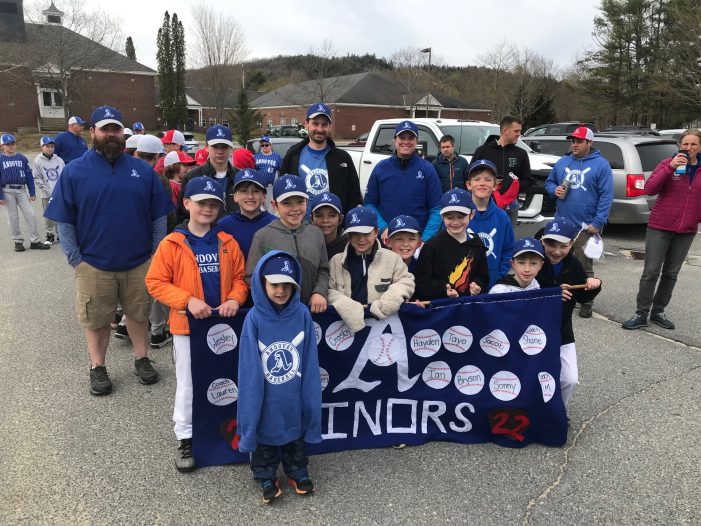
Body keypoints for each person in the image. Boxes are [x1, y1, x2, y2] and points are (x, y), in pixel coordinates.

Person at [44, 105, 173, 396]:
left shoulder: (142, 170)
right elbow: (64, 220)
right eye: (105, 129)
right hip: (93, 264)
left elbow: (158, 217)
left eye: (116, 129)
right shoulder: (75, 171)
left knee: (139, 314)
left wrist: (155, 255)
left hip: (139, 262)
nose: (111, 134)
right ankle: (98, 367)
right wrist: (76, 260)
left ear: (123, 133)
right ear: (93, 133)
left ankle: (142, 358)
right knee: (97, 319)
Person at [145, 176, 248, 473]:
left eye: (214, 204)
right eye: (202, 203)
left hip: (225, 324)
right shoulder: (172, 243)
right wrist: (186, 300)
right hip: (189, 327)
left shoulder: (227, 242)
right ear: (187, 203)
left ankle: (229, 429)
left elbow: (240, 279)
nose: (208, 209)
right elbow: (155, 282)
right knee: (189, 383)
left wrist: (234, 299)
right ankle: (186, 437)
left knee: (229, 377)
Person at [237, 250, 322, 503]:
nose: (281, 290)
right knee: (265, 439)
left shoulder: (302, 314)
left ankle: (296, 470)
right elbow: (250, 369)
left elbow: (309, 360)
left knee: (294, 436)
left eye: (287, 284)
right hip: (265, 396)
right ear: (262, 283)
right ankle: (265, 474)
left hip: (293, 394)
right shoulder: (253, 318)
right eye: (274, 284)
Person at [622, 129, 701, 330]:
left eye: (693, 144)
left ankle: (658, 311)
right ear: (679, 145)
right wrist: (670, 168)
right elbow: (649, 189)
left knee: (671, 273)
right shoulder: (667, 163)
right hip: (660, 227)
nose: (689, 148)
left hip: (686, 230)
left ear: (700, 147)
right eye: (685, 144)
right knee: (651, 272)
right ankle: (641, 313)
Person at [545, 126, 613, 318]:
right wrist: (554, 190)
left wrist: (599, 221)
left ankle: (586, 299)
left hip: (586, 225)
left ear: (589, 143)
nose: (574, 144)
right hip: (562, 224)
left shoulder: (601, 165)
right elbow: (549, 182)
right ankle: (560, 294)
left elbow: (606, 196)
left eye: (579, 141)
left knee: (583, 263)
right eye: (572, 141)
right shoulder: (563, 162)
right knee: (559, 259)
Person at [536, 218, 601, 405]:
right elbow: (524, 292)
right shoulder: (534, 261)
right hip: (533, 329)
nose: (556, 251)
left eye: (563, 246)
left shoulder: (574, 265)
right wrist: (551, 293)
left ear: (571, 243)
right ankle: (535, 409)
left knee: (569, 379)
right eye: (551, 244)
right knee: (534, 376)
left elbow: (582, 298)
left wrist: (593, 286)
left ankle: (558, 411)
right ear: (542, 241)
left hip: (562, 331)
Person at [245, 175, 329, 313]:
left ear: (307, 201)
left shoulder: (316, 234)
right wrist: (270, 299)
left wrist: (319, 292)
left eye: (300, 201)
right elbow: (251, 276)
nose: (295, 208)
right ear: (274, 205)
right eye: (287, 203)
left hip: (312, 310)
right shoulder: (263, 236)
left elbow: (323, 269)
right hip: (276, 313)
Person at [328, 206, 415, 333]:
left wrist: (385, 305)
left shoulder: (392, 258)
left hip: (385, 327)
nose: (361, 239)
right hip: (346, 330)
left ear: (376, 232)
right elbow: (328, 290)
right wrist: (348, 308)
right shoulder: (336, 261)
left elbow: (406, 281)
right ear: (348, 234)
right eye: (355, 234)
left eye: (366, 233)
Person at [364, 120, 442, 244]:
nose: (406, 142)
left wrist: (424, 240)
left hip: (416, 243)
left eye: (410, 138)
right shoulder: (381, 168)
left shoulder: (427, 169)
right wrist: (383, 228)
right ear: (395, 140)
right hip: (388, 241)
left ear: (416, 141)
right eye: (402, 137)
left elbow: (436, 209)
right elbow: (369, 204)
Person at [280, 103, 362, 213]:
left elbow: (354, 195)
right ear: (306, 124)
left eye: (324, 125)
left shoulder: (343, 159)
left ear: (330, 127)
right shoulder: (293, 156)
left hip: (333, 226)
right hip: (301, 226)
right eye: (315, 124)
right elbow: (282, 192)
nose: (319, 129)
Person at [414, 188, 489, 300]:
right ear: (442, 217)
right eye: (449, 217)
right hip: (440, 308)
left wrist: (477, 286)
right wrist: (443, 289)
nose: (455, 222)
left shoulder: (478, 245)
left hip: (468, 306)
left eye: (461, 216)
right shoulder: (431, 246)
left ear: (472, 214)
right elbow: (421, 283)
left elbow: (482, 277)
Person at [471, 115, 531, 224]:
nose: (519, 134)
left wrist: (512, 185)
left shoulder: (521, 154)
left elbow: (527, 180)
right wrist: (489, 182)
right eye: (516, 131)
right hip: (485, 203)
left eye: (520, 131)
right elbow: (470, 176)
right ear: (505, 130)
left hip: (510, 205)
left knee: (507, 239)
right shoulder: (482, 151)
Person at [465, 159, 515, 289]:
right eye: (477, 179)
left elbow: (508, 249)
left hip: (492, 284)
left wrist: (499, 275)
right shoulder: (459, 216)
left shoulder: (502, 218)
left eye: (487, 179)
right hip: (463, 284)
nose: (482, 183)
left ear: (495, 185)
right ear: (468, 185)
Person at [0, 133, 50, 252]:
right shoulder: (0, 159)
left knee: (31, 215)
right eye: (8, 144)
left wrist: (32, 192)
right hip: (7, 190)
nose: (11, 146)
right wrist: (0, 196)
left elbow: (29, 176)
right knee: (13, 217)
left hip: (21, 190)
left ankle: (35, 241)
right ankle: (18, 241)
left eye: (13, 143)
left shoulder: (22, 158)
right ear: (2, 145)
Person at [177, 125, 238, 221]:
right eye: (215, 146)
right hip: (205, 233)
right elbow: (183, 213)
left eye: (224, 147)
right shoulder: (192, 176)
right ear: (206, 147)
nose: (220, 151)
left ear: (231, 148)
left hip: (235, 233)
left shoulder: (240, 177)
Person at [218, 168, 276, 259]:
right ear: (235, 196)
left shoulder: (274, 223)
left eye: (256, 191)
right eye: (244, 191)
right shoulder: (224, 225)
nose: (250, 196)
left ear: (264, 196)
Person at [33, 136, 65, 244]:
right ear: (42, 147)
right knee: (49, 215)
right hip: (47, 194)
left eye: (52, 146)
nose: (50, 148)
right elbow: (37, 178)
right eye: (47, 146)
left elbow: (64, 175)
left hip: (59, 193)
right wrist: (47, 191)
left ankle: (60, 234)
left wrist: (61, 190)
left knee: (60, 213)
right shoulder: (38, 161)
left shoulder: (59, 160)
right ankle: (50, 234)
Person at [309, 192, 347, 260]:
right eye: (319, 215)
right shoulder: (304, 244)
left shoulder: (349, 244)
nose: (325, 220)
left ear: (340, 219)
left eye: (332, 215)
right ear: (311, 219)